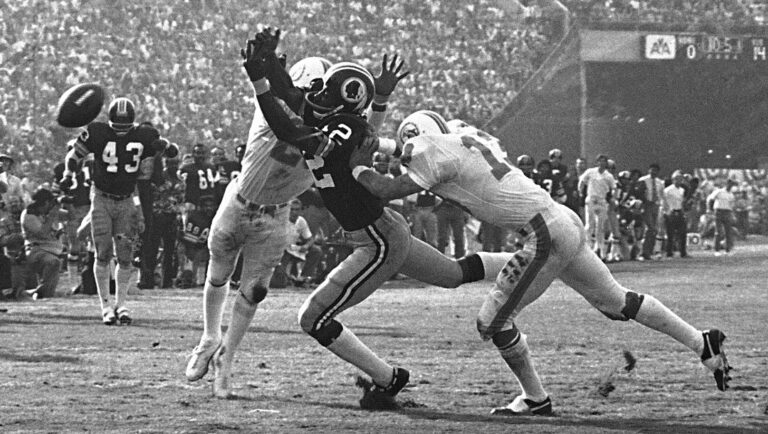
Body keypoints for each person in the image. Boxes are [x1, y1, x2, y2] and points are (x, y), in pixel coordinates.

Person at [350, 110, 731, 415]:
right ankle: (702, 342)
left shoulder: (429, 150)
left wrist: (355, 166)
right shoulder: (465, 136)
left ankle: (535, 397)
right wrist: (385, 146)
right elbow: (424, 175)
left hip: (542, 234)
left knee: (492, 321)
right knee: (618, 302)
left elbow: (387, 189)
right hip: (562, 219)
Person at [241, 32, 513, 408]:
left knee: (313, 319)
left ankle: (388, 379)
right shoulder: (340, 119)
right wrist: (269, 63)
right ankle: (530, 260)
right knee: (453, 274)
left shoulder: (343, 128)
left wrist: (258, 80)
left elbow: (289, 125)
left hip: (377, 240)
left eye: (322, 92)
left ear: (338, 101)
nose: (313, 95)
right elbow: (291, 96)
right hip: (385, 229)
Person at [62, 96, 172, 325]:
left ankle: (122, 305)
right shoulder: (97, 132)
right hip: (101, 198)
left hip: (126, 199)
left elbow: (171, 151)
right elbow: (74, 155)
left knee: (125, 254)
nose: (121, 131)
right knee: (102, 253)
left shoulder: (144, 134)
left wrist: (165, 147)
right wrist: (67, 175)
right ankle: (105, 307)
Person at [140, 153, 184, 289]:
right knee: (152, 249)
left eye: (176, 163)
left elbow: (181, 199)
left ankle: (167, 281)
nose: (173, 165)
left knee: (170, 251)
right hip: (157, 216)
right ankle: (148, 280)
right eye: (170, 162)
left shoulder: (180, 179)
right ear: (165, 162)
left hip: (172, 217)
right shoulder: (158, 177)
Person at [20, 188, 65, 299]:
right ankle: (42, 294)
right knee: (53, 262)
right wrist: (52, 216)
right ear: (45, 203)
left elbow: (72, 216)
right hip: (35, 250)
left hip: (50, 250)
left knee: (54, 261)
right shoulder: (29, 214)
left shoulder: (47, 212)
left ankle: (36, 293)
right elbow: (42, 234)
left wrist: (68, 204)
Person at [578, 154, 615, 260]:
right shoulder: (590, 172)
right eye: (600, 161)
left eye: (604, 161)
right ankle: (587, 249)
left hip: (602, 201)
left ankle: (600, 250)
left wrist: (612, 198)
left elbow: (613, 188)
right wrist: (581, 193)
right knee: (590, 225)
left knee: (601, 227)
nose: (602, 163)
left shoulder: (608, 176)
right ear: (597, 162)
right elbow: (582, 182)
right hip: (591, 199)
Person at [638, 163, 665, 260]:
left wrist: (660, 205)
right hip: (646, 205)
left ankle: (648, 252)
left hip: (655, 206)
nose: (653, 172)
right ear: (649, 170)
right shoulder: (643, 180)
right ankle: (643, 251)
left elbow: (661, 195)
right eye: (652, 170)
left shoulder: (660, 183)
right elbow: (639, 193)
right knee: (650, 228)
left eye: (655, 171)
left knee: (654, 230)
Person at [707, 179, 736, 255]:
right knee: (718, 232)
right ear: (726, 184)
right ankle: (717, 250)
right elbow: (710, 199)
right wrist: (710, 209)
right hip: (719, 211)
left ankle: (728, 250)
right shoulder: (719, 191)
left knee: (728, 232)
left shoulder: (731, 195)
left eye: (731, 185)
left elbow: (731, 206)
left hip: (727, 212)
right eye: (729, 184)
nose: (730, 186)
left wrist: (732, 214)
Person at [663, 170, 687, 258]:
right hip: (671, 212)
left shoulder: (682, 190)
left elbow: (681, 202)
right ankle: (669, 252)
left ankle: (683, 252)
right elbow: (664, 202)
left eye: (681, 179)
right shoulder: (668, 190)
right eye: (677, 179)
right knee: (670, 234)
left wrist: (683, 213)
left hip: (679, 211)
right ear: (673, 180)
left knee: (683, 233)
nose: (679, 181)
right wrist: (667, 212)